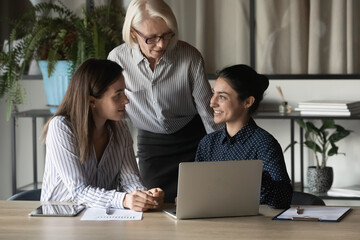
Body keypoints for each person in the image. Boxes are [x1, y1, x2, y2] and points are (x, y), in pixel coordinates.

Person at [108, 0, 223, 203]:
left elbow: (208, 113)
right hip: (152, 145)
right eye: (151, 38)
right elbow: (114, 111)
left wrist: (223, 157)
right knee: (153, 207)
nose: (161, 44)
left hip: (192, 140)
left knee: (197, 205)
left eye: (166, 34)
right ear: (134, 33)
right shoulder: (118, 59)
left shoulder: (189, 56)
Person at [41, 58, 164, 212]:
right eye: (117, 95)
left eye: (124, 92)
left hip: (102, 218)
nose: (126, 100)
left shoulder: (120, 127)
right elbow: (79, 191)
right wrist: (124, 199)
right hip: (61, 221)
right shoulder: (61, 127)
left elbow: (130, 179)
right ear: (92, 101)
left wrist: (144, 196)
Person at [195, 64, 293, 209]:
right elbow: (197, 191)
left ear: (247, 102)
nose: (212, 102)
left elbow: (282, 199)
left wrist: (254, 180)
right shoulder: (208, 143)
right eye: (213, 93)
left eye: (222, 97)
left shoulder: (265, 144)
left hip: (253, 226)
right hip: (211, 222)